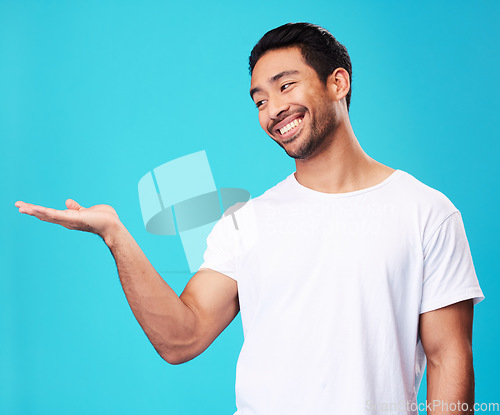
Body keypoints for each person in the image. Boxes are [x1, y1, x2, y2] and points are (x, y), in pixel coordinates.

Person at [15, 22, 484, 415]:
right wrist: (116, 235)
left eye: (286, 85)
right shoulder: (247, 221)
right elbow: (182, 338)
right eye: (259, 100)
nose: (273, 109)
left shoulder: (426, 213)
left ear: (337, 83)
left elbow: (449, 358)